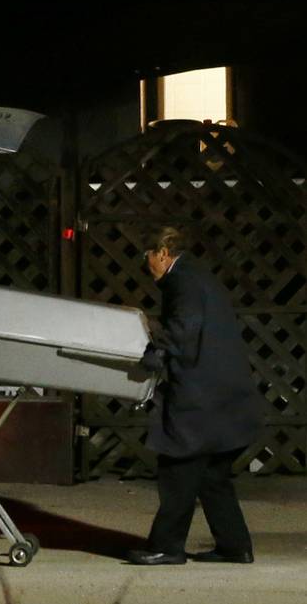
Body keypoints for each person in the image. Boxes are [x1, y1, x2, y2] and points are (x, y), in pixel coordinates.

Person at [127, 226, 263, 566]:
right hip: (225, 392)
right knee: (212, 476)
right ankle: (235, 546)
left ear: (162, 252)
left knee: (177, 468)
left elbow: (185, 325)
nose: (147, 266)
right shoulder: (198, 275)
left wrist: (157, 352)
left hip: (199, 395)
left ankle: (167, 547)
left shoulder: (181, 281)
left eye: (147, 257)